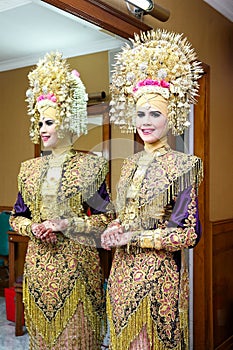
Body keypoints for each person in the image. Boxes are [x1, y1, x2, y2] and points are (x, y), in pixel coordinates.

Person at [101, 29, 204, 350]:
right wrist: (113, 230)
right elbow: (123, 216)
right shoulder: (129, 164)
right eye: (140, 113)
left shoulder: (185, 165)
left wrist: (135, 238)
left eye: (155, 113)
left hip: (158, 281)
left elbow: (188, 235)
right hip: (120, 278)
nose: (146, 121)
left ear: (170, 117)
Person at [10, 52, 113, 349]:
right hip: (39, 271)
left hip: (78, 269)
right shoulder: (27, 170)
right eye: (40, 122)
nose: (42, 129)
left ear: (66, 123)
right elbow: (18, 216)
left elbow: (104, 218)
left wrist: (67, 223)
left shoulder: (90, 166)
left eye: (50, 122)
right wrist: (34, 229)